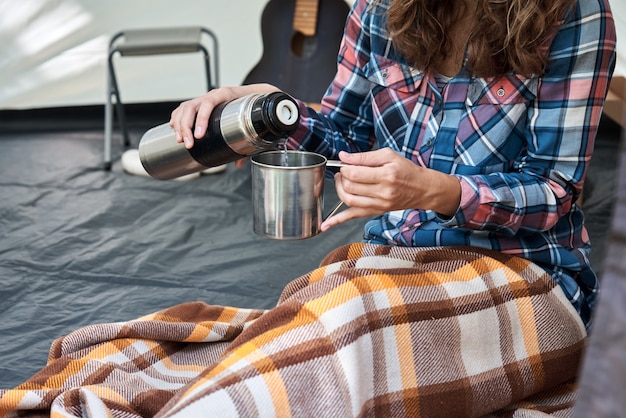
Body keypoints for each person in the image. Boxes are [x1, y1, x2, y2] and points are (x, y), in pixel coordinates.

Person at [0, 0, 616, 416]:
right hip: (396, 262)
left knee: (354, 318)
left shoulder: (573, 12)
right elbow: (342, 135)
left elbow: (555, 189)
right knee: (306, 323)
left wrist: (438, 190)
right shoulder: (381, 9)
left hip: (531, 276)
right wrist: (266, 108)